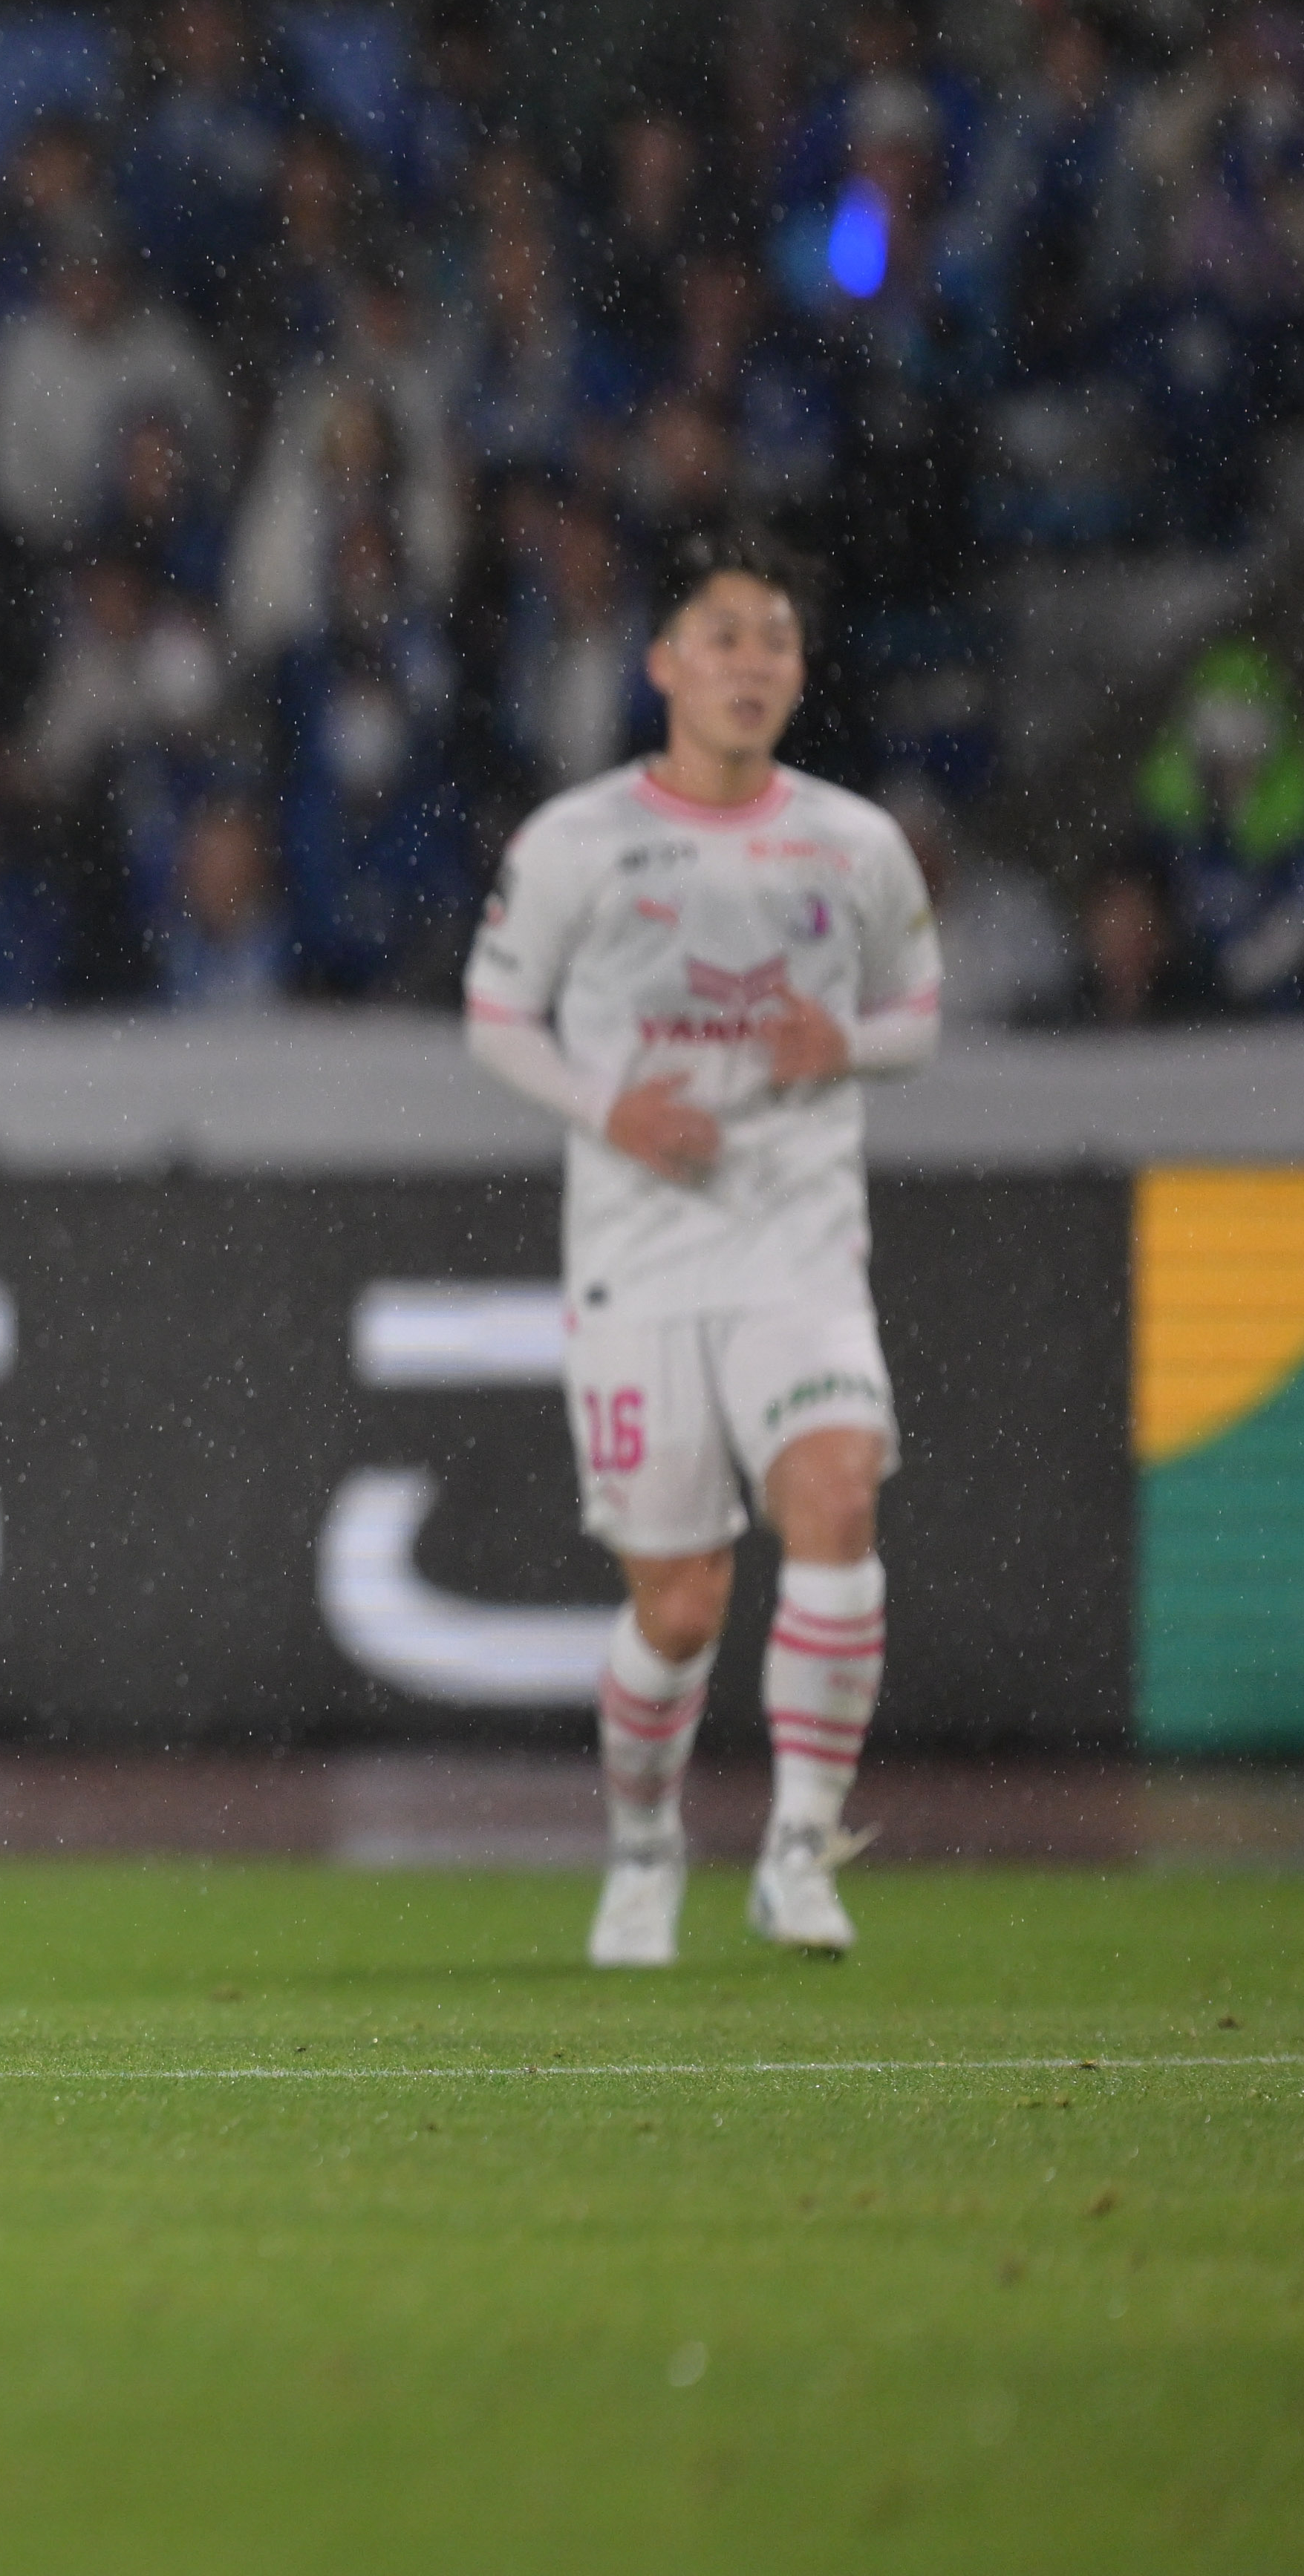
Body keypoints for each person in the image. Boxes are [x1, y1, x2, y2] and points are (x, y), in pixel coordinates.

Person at [459, 527, 939, 1971]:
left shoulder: (854, 843)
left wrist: (842, 1041)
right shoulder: (576, 840)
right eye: (724, 636)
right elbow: (494, 1017)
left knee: (836, 1498)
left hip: (797, 1239)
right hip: (641, 1255)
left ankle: (800, 1847)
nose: (752, 662)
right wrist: (610, 1107)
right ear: (664, 662)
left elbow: (916, 1013)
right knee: (679, 1605)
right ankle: (645, 1844)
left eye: (775, 640)